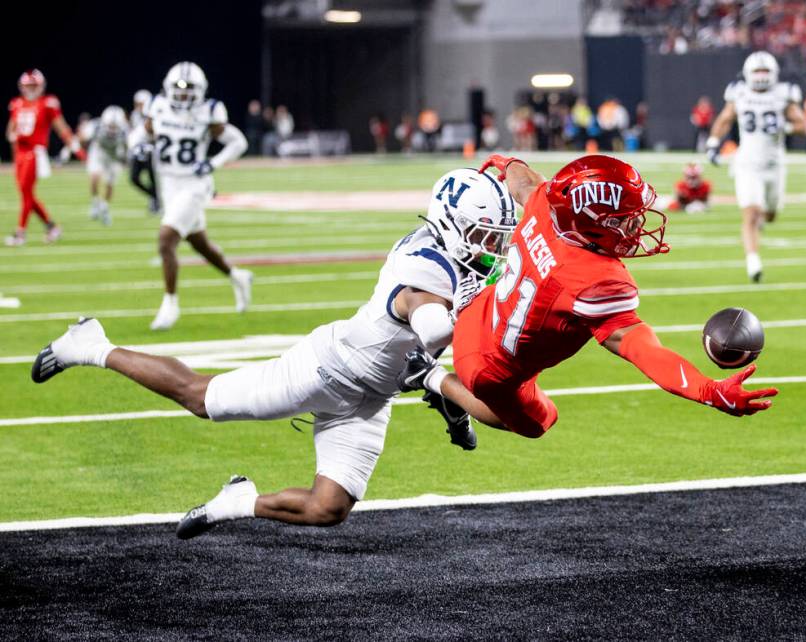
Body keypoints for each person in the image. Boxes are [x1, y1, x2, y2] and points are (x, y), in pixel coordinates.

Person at [30, 168, 518, 539]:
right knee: (200, 398)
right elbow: (431, 332)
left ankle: (239, 501)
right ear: (451, 224)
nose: (493, 247)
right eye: (485, 235)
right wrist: (448, 384)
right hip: (326, 370)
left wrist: (454, 414)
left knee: (327, 509)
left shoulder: (457, 261)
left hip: (372, 398)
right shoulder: (427, 267)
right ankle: (92, 345)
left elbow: (427, 363)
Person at [399, 154, 777, 443]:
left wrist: (507, 161)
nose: (636, 225)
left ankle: (459, 308)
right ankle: (433, 377)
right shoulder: (596, 280)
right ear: (595, 222)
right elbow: (644, 351)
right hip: (491, 371)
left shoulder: (549, 205)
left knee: (507, 303)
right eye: (627, 218)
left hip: (479, 314)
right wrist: (707, 390)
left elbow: (524, 182)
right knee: (539, 421)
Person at [128, 61, 250, 331]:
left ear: (200, 90)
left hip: (195, 184)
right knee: (200, 244)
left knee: (165, 240)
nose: (183, 96)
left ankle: (170, 304)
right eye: (178, 90)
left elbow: (238, 141)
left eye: (189, 90)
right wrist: (136, 147)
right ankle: (238, 276)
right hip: (167, 184)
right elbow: (138, 134)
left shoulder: (209, 111)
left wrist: (213, 163)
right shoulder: (157, 106)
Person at [705, 51, 806, 283]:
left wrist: (786, 127)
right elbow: (724, 119)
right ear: (748, 74)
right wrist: (712, 143)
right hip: (747, 163)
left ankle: (759, 227)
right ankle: (753, 262)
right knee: (751, 214)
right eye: (757, 71)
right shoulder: (739, 93)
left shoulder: (783, 94)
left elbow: (804, 126)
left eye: (765, 71)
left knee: (770, 215)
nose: (761, 76)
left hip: (774, 165)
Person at [5, 69, 86, 247]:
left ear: (41, 86)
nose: (31, 89)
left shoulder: (47, 103)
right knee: (26, 195)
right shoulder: (17, 104)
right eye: (28, 85)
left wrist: (76, 149)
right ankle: (52, 226)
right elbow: (10, 130)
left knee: (26, 193)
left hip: (35, 152)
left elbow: (61, 128)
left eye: (34, 85)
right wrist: (13, 151)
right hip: (20, 153)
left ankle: (20, 233)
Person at [79, 105, 129, 226]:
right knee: (94, 178)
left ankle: (105, 208)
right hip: (98, 151)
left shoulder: (125, 130)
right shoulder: (96, 126)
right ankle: (95, 203)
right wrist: (84, 149)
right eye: (110, 126)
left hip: (114, 155)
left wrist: (123, 156)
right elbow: (82, 138)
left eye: (115, 126)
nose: (112, 129)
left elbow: (128, 146)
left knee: (110, 184)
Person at [129, 89, 159, 214]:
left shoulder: (156, 115)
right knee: (134, 178)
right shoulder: (135, 115)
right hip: (139, 149)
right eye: (137, 103)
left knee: (154, 178)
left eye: (141, 103)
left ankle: (156, 201)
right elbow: (135, 134)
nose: (139, 106)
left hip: (154, 149)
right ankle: (155, 196)